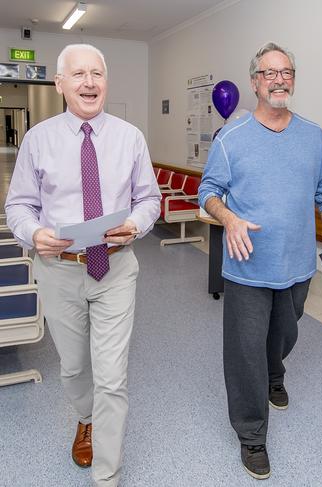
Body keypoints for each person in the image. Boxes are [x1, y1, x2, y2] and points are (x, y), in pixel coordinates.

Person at [4, 44, 161, 486]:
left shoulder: (130, 137)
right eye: (79, 74)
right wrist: (35, 233)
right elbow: (18, 205)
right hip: (59, 270)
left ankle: (106, 475)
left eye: (97, 74)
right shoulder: (39, 140)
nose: (89, 82)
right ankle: (84, 418)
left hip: (115, 268)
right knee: (74, 367)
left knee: (112, 375)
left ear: (106, 83)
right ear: (60, 84)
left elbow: (150, 198)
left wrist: (135, 223)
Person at [199, 42, 322, 480]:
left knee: (284, 333)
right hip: (246, 266)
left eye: (286, 72)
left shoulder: (313, 136)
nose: (279, 79)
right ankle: (252, 435)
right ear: (254, 82)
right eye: (269, 73)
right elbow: (208, 192)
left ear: (293, 80)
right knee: (244, 351)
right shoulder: (233, 138)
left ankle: (274, 371)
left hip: (297, 263)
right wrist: (229, 219)